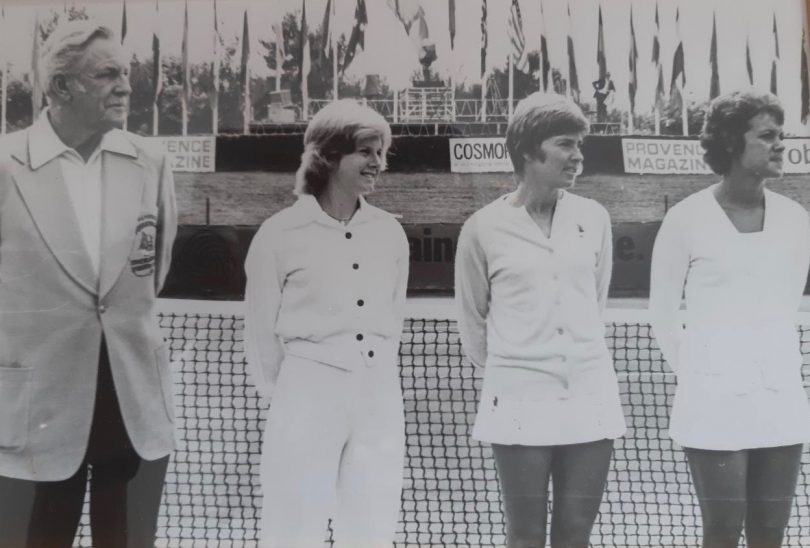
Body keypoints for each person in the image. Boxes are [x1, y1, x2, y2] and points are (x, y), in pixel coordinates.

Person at [0, 21, 177, 547]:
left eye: (126, 74)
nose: (126, 86)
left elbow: (153, 271)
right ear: (60, 88)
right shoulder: (5, 164)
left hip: (134, 412)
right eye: (107, 75)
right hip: (34, 415)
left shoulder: (151, 160)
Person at [455, 92, 625, 548]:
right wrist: (519, 369)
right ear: (530, 150)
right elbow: (473, 325)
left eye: (579, 146)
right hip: (518, 401)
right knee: (526, 535)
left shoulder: (595, 218)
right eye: (566, 144)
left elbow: (594, 302)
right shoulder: (483, 228)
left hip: (590, 395)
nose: (578, 157)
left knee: (574, 534)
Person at [244, 99, 409, 548]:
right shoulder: (279, 234)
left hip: (378, 395)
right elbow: (262, 338)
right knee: (294, 531)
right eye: (366, 152)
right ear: (329, 156)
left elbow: (391, 319)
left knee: (372, 530)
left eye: (381, 152)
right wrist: (298, 395)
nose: (378, 163)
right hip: (305, 395)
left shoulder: (390, 233)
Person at [649, 90, 810, 548]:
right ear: (729, 144)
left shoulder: (797, 220)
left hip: (780, 400)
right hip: (712, 403)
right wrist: (703, 376)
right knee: (721, 531)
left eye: (781, 135)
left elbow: (784, 304)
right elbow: (662, 315)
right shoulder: (685, 219)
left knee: (770, 533)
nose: (780, 145)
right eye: (766, 136)